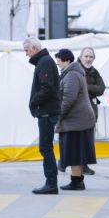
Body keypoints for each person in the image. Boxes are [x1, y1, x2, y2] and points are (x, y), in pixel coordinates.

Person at [53, 49, 97, 191]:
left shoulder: (71, 75)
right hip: (76, 120)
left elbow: (68, 99)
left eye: (59, 61)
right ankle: (77, 180)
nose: (58, 64)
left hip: (77, 121)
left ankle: (77, 182)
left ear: (67, 61)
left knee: (74, 151)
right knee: (74, 151)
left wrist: (58, 116)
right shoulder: (71, 73)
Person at [23, 37, 61, 195]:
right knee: (46, 147)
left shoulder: (44, 61)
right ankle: (51, 182)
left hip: (46, 111)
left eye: (27, 50)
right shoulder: (44, 61)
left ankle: (51, 183)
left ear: (34, 48)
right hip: (46, 110)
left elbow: (48, 88)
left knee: (45, 148)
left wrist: (34, 102)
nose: (26, 54)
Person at [68, 47, 103, 175]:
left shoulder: (94, 72)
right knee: (77, 139)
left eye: (91, 57)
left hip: (91, 110)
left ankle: (84, 165)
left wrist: (85, 88)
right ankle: (65, 163)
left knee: (88, 139)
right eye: (86, 56)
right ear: (81, 57)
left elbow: (101, 88)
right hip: (77, 110)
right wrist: (89, 89)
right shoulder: (75, 69)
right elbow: (73, 88)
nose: (88, 59)